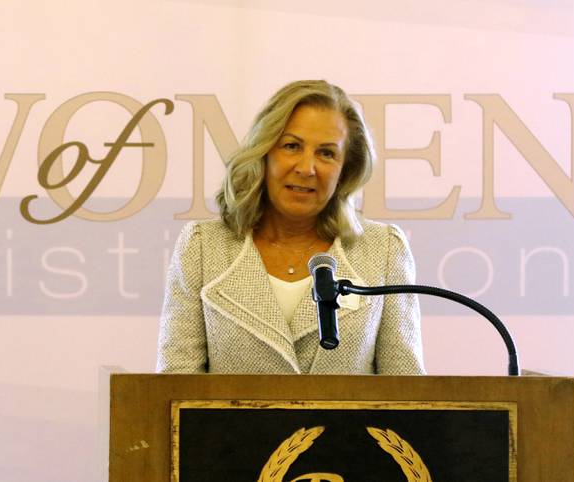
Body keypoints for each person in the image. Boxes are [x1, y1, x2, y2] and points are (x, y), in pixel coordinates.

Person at [156, 80, 425, 375]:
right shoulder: (203, 246)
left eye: (326, 153)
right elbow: (173, 389)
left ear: (345, 169)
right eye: (292, 146)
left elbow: (406, 394)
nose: (306, 168)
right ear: (265, 152)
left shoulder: (383, 248)